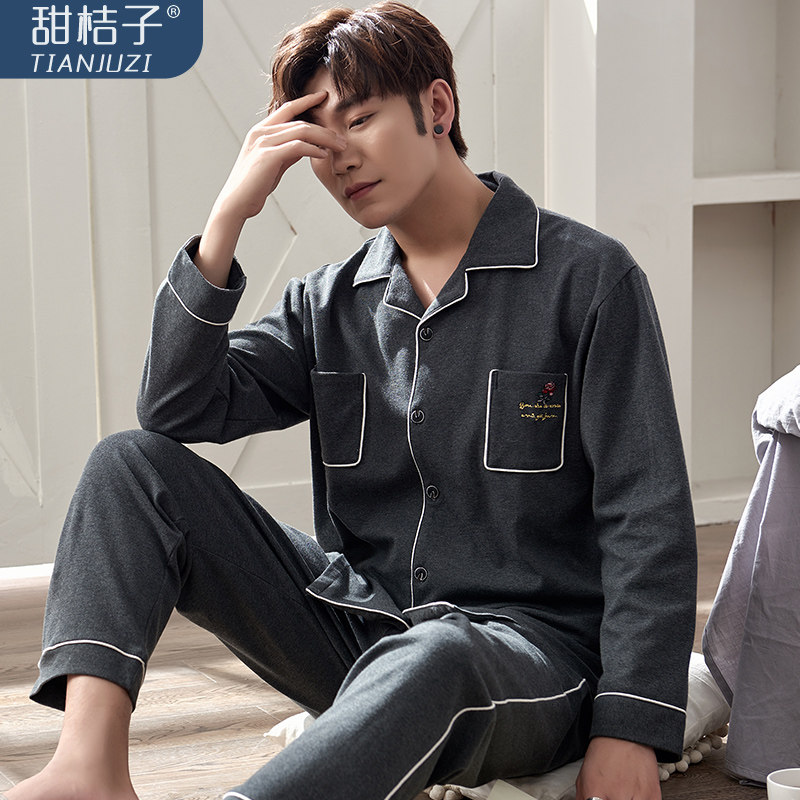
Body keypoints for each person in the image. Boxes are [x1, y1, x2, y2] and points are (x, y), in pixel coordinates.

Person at [7, 3, 697, 800]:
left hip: (531, 658)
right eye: (318, 142)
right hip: (363, 632)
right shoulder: (327, 303)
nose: (341, 159)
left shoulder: (589, 280)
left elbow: (647, 515)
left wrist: (629, 725)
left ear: (437, 107)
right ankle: (88, 769)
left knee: (437, 653)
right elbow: (176, 409)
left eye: (360, 121)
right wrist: (226, 220)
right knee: (130, 467)